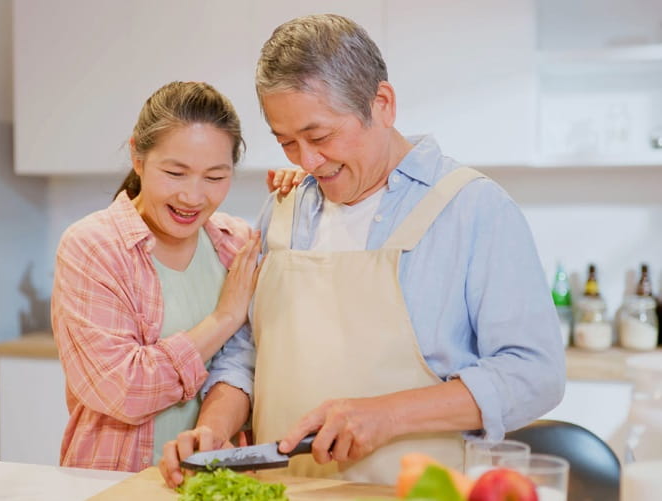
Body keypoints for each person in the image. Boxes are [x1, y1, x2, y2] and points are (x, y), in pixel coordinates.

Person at [160, 14, 565, 486]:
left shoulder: (472, 209)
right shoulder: (284, 208)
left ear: (382, 104)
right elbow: (245, 356)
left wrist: (388, 415)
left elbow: (535, 374)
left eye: (320, 136)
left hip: (419, 493)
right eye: (287, 142)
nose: (307, 161)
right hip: (286, 491)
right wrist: (213, 429)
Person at [51, 81, 302, 471]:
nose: (192, 197)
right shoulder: (93, 246)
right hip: (113, 481)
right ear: (138, 156)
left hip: (211, 480)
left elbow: (242, 366)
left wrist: (307, 194)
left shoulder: (234, 243)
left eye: (215, 177)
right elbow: (124, 390)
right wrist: (224, 318)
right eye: (175, 173)